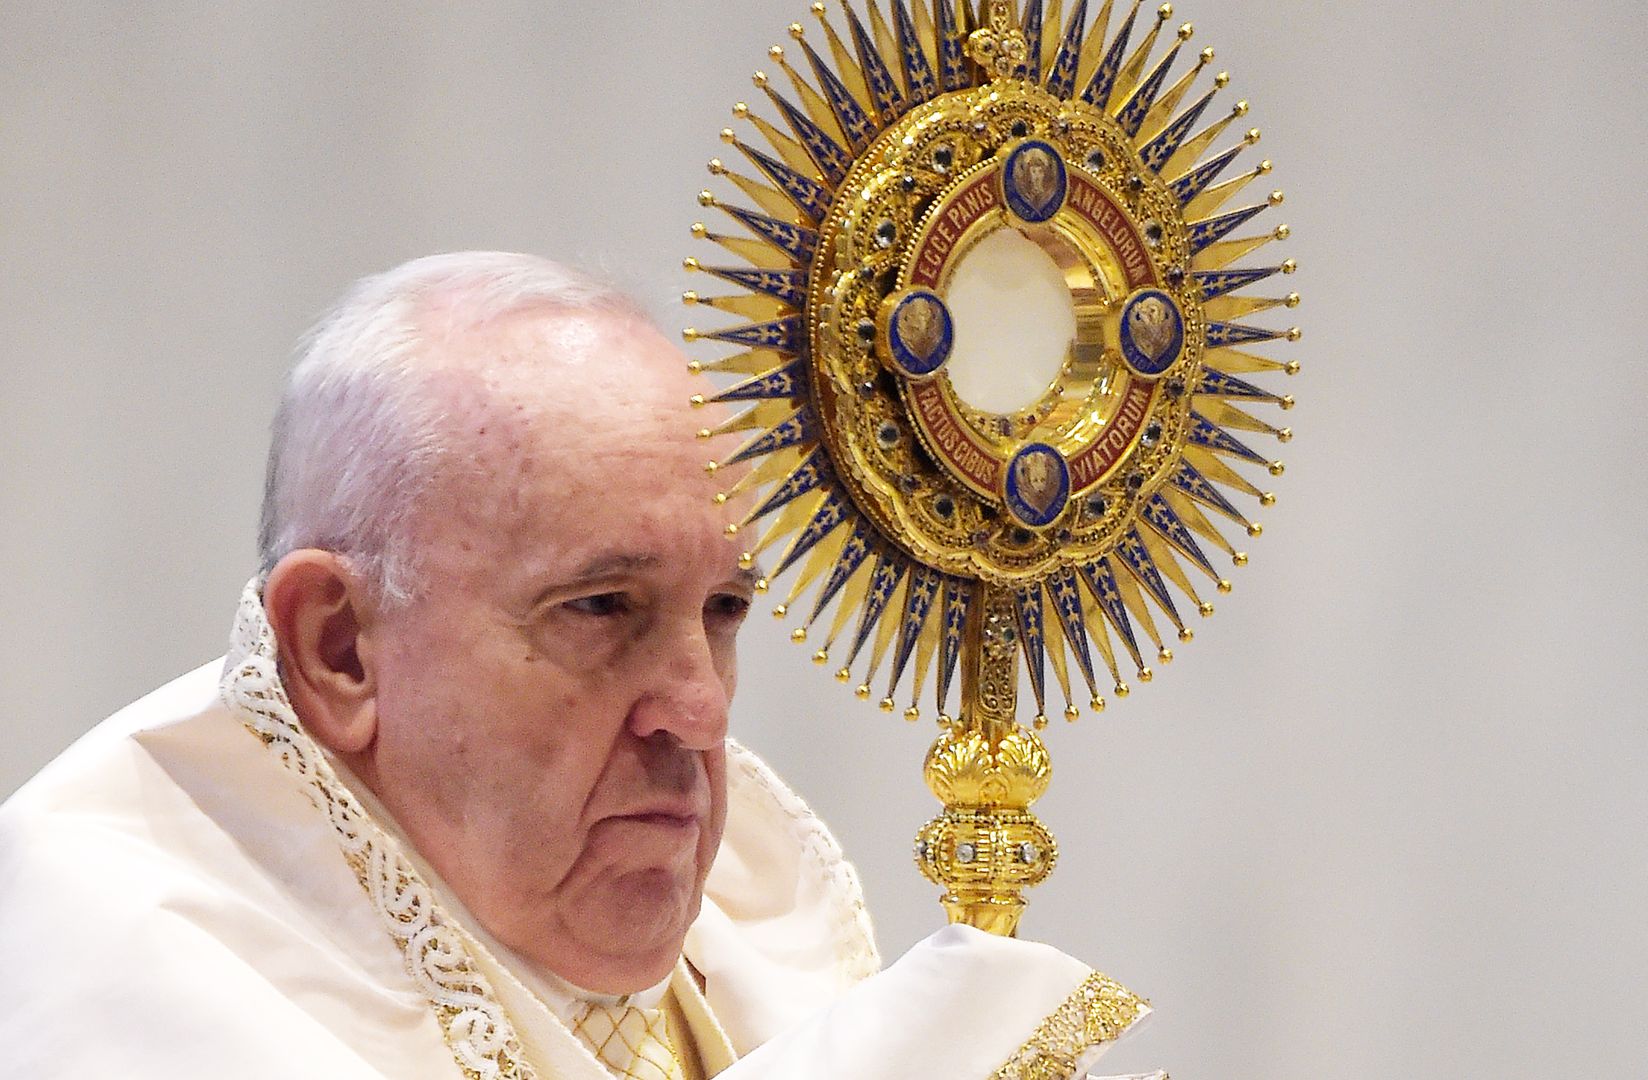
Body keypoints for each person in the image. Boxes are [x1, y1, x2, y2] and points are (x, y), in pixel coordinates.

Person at [0, 253, 1154, 1079]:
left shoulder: (763, 945)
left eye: (724, 610)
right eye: (602, 608)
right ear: (338, 650)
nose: (698, 710)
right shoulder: (113, 972)